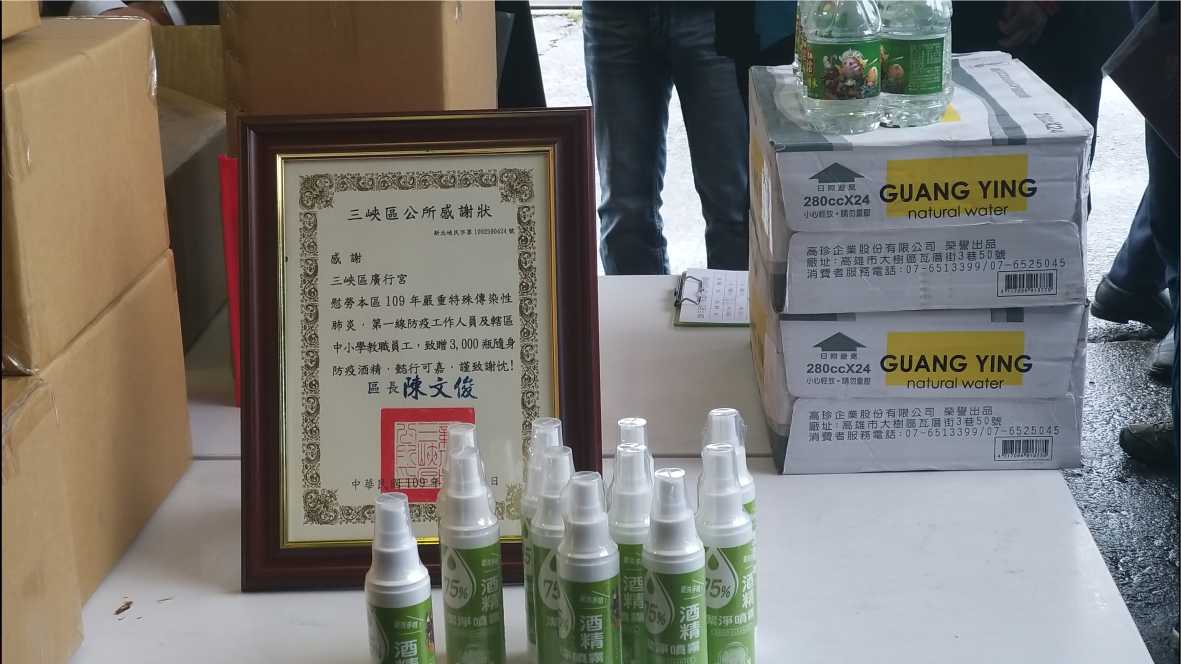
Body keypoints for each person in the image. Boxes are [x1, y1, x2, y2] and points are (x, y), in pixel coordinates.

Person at [584, 1, 750, 274]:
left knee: (734, 208)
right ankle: (638, 304)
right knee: (624, 216)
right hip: (613, 13)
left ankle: (735, 303)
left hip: (714, 13)